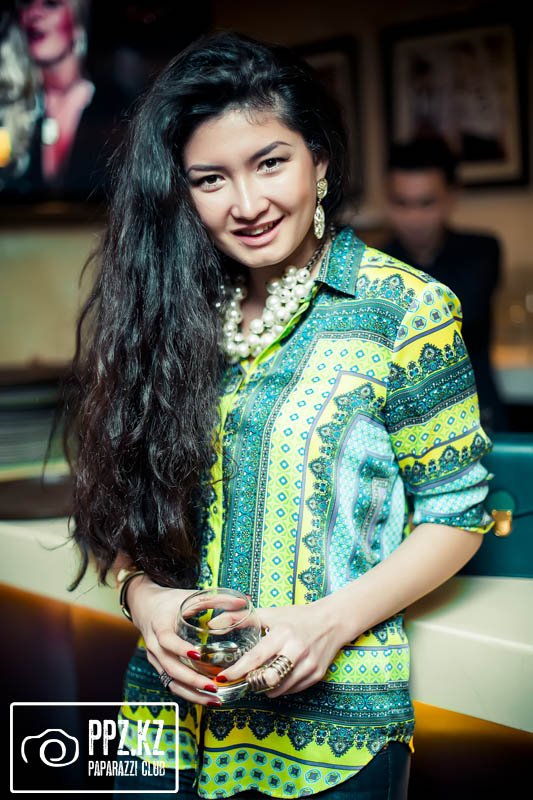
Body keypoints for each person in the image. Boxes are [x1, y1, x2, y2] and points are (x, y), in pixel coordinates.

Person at [61, 32, 496, 799]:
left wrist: (328, 621)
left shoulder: (403, 307)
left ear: (318, 161)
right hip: (163, 729)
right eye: (210, 179)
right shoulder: (169, 311)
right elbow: (128, 508)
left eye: (269, 162)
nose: (247, 204)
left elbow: (457, 513)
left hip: (327, 739)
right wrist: (144, 598)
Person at [380, 137, 508, 433]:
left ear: (452, 197)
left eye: (426, 203)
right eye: (401, 203)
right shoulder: (377, 260)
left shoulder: (481, 251)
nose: (414, 218)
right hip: (404, 424)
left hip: (479, 413)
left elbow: (466, 311)